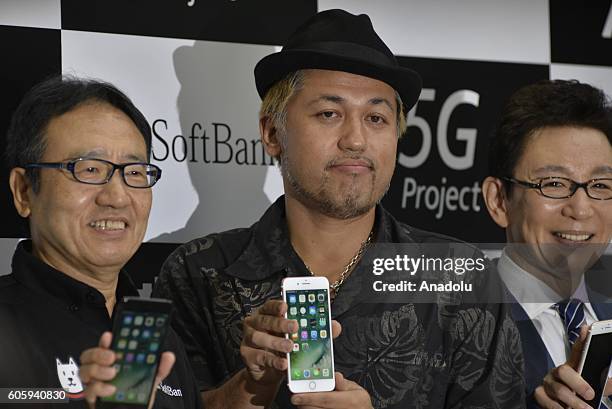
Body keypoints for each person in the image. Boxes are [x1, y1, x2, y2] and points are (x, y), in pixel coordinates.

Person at [153, 9, 524, 409]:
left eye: (377, 118)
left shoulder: (460, 278)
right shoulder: (197, 273)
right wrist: (250, 388)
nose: (356, 140)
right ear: (272, 132)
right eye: (329, 114)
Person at [0, 76, 202, 409]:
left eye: (135, 172)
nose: (117, 196)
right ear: (24, 191)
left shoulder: (162, 341)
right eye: (89, 169)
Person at [482, 79, 612, 408]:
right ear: (499, 201)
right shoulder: (446, 327)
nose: (580, 209)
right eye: (553, 183)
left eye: (600, 184)